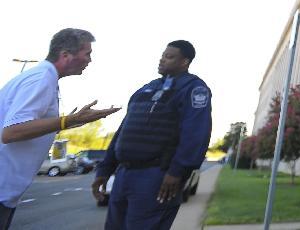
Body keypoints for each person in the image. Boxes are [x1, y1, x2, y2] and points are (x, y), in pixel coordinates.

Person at [0, 28, 120, 230]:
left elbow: (25, 130)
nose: (90, 60)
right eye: (87, 53)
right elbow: (12, 131)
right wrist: (66, 120)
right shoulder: (41, 79)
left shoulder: (45, 78)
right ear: (65, 55)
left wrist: (70, 122)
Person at [93, 40, 212, 230]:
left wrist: (177, 172)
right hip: (124, 175)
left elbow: (196, 134)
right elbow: (123, 131)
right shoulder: (146, 89)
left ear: (185, 62)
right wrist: (105, 170)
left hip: (156, 176)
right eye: (163, 55)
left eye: (169, 57)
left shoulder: (193, 88)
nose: (162, 60)